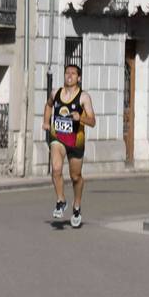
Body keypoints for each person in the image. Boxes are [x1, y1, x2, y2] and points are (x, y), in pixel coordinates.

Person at [42, 63, 96, 228]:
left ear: (78, 78)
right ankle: (61, 200)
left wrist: (81, 118)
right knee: (56, 169)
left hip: (76, 140)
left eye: (73, 73)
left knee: (75, 177)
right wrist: (45, 121)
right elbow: (49, 105)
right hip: (57, 137)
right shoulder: (56, 93)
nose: (69, 76)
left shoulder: (83, 97)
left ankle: (77, 206)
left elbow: (92, 121)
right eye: (67, 73)